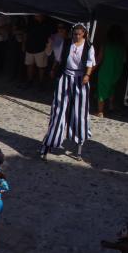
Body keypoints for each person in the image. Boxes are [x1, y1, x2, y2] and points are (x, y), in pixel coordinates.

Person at [41, 23, 95, 159]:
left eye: (79, 34)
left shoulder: (88, 47)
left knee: (79, 111)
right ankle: (50, 142)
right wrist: (54, 70)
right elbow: (59, 60)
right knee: (58, 110)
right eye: (74, 34)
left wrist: (87, 76)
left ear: (84, 34)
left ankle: (79, 146)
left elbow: (90, 63)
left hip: (80, 79)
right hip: (65, 77)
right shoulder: (66, 44)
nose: (76, 36)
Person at [95, 25, 126, 118]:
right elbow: (124, 60)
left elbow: (99, 59)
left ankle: (100, 111)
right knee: (112, 89)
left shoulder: (105, 44)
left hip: (106, 71)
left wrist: (91, 68)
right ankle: (111, 107)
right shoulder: (122, 47)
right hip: (117, 72)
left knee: (101, 90)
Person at [22, 14, 52, 89]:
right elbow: (25, 34)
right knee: (29, 65)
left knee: (41, 67)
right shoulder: (30, 22)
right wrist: (23, 44)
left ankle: (41, 83)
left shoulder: (47, 24)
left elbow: (50, 37)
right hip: (29, 47)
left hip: (41, 49)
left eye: (38, 15)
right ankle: (29, 81)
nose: (36, 16)